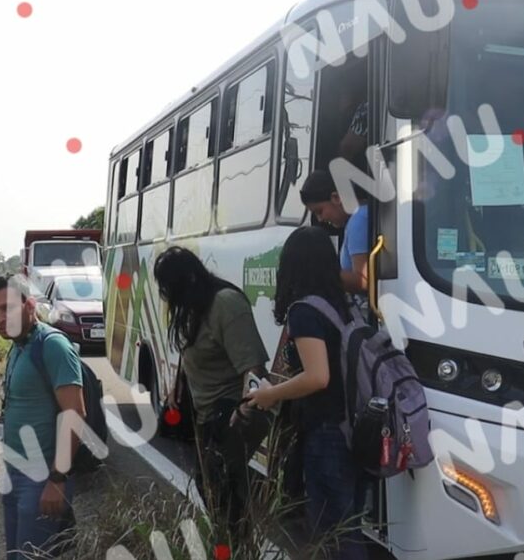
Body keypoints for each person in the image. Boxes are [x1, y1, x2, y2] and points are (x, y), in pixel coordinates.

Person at [243, 226, 369, 560]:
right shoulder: (343, 304)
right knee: (347, 526)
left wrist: (272, 394)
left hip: (327, 431)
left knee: (333, 534)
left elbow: (317, 377)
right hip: (353, 427)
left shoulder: (305, 311)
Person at [152, 246, 270, 539]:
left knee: (229, 505)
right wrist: (178, 381)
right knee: (211, 494)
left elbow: (253, 367)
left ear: (190, 278)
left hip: (229, 415)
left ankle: (237, 552)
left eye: (173, 287)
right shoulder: (192, 304)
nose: (170, 295)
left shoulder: (225, 304)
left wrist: (244, 411)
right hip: (205, 415)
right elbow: (190, 345)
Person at [0, 274, 84, 560]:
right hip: (15, 474)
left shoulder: (52, 345)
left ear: (30, 304)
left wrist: (58, 479)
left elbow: (74, 414)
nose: (0, 318)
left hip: (42, 478)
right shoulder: (19, 346)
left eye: (7, 308)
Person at [300, 169, 370, 296]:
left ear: (336, 198)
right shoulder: (360, 216)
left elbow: (364, 281)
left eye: (320, 211)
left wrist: (321, 272)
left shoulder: (358, 219)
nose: (320, 219)